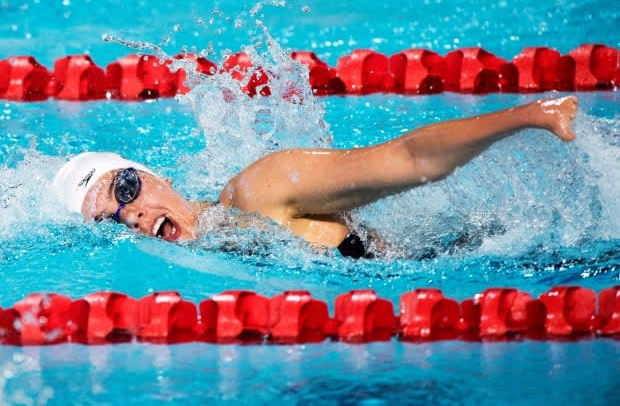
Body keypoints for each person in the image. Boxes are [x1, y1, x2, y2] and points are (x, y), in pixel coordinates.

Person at [53, 96, 578, 258]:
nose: (135, 213)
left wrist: (530, 115)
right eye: (112, 219)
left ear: (155, 176)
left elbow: (409, 159)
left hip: (541, 260)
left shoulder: (258, 191)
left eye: (125, 189)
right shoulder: (214, 250)